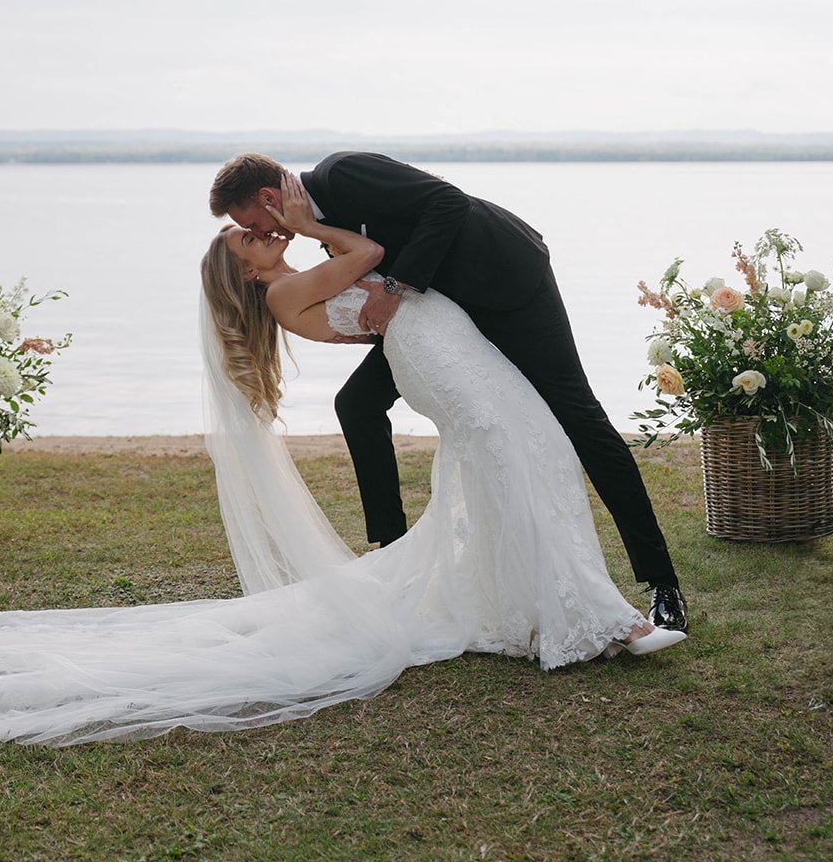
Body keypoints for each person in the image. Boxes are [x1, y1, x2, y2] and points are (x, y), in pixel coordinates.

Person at [0, 175, 684, 747]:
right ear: (244, 268)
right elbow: (371, 251)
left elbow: (380, 268)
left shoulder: (295, 284)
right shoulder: (285, 294)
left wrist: (321, 241)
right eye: (248, 238)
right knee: (526, 454)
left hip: (443, 342)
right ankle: (589, 617)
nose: (261, 235)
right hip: (437, 351)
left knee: (519, 460)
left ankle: (553, 607)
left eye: (253, 225)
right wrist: (314, 230)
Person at [211, 150, 688, 633]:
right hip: (441, 321)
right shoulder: (316, 231)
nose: (267, 234)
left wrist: (395, 286)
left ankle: (661, 583)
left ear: (270, 198)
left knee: (580, 420)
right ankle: (393, 553)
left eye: (253, 222)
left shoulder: (342, 173)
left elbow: (448, 202)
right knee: (356, 403)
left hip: (506, 286)